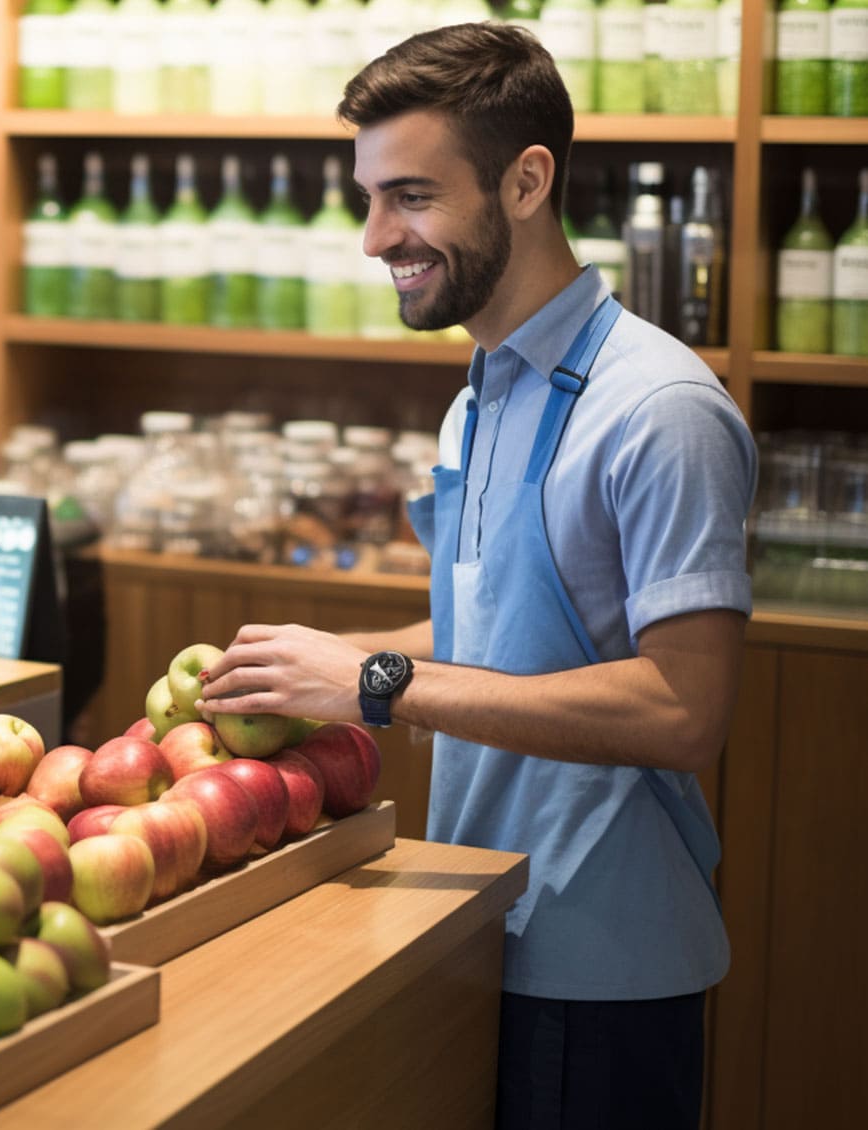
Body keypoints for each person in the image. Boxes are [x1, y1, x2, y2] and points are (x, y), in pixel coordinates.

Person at [197, 24, 755, 1130]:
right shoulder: (481, 391)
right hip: (474, 916)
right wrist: (325, 663)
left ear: (525, 181)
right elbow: (501, 626)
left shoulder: (657, 409)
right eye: (365, 197)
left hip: (596, 961)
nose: (372, 238)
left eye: (407, 195)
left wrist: (375, 682)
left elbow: (682, 708)